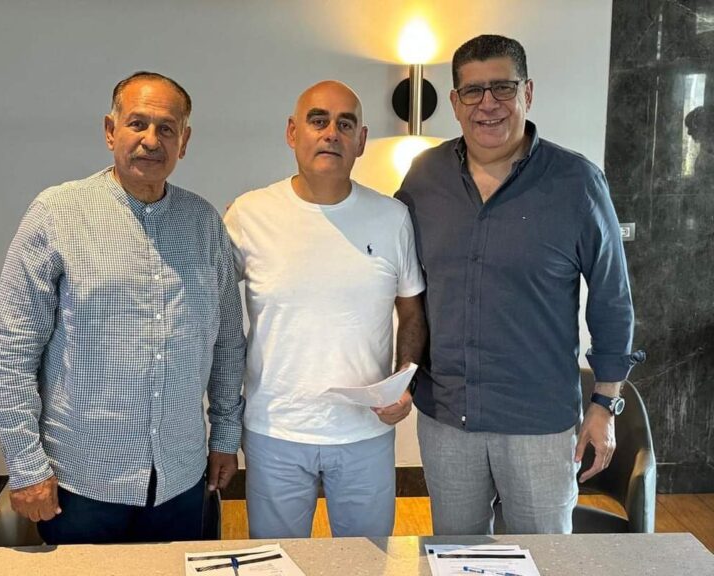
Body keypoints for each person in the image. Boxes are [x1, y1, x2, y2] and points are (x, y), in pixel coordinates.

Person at [0, 72, 245, 544]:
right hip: (81, 480)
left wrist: (225, 435)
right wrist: (25, 465)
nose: (152, 140)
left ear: (184, 142)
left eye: (167, 128)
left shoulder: (204, 223)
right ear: (110, 131)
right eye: (137, 123)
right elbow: (9, 353)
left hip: (181, 477)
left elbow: (227, 342)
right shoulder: (57, 213)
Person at [396, 35, 640, 535]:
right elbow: (387, 262)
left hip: (538, 424)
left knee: (543, 559)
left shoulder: (577, 183)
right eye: (473, 91)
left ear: (527, 92)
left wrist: (605, 403)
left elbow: (612, 299)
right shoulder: (424, 177)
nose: (488, 104)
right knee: (456, 557)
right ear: (455, 102)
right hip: (447, 418)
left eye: (503, 88)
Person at [224, 80, 426, 538]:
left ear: (361, 140)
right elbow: (206, 304)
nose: (331, 132)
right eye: (318, 121)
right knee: (279, 563)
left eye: (345, 124)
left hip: (365, 434)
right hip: (275, 431)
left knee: (365, 564)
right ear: (292, 132)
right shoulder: (249, 214)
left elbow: (412, 311)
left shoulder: (392, 217)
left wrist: (405, 381)